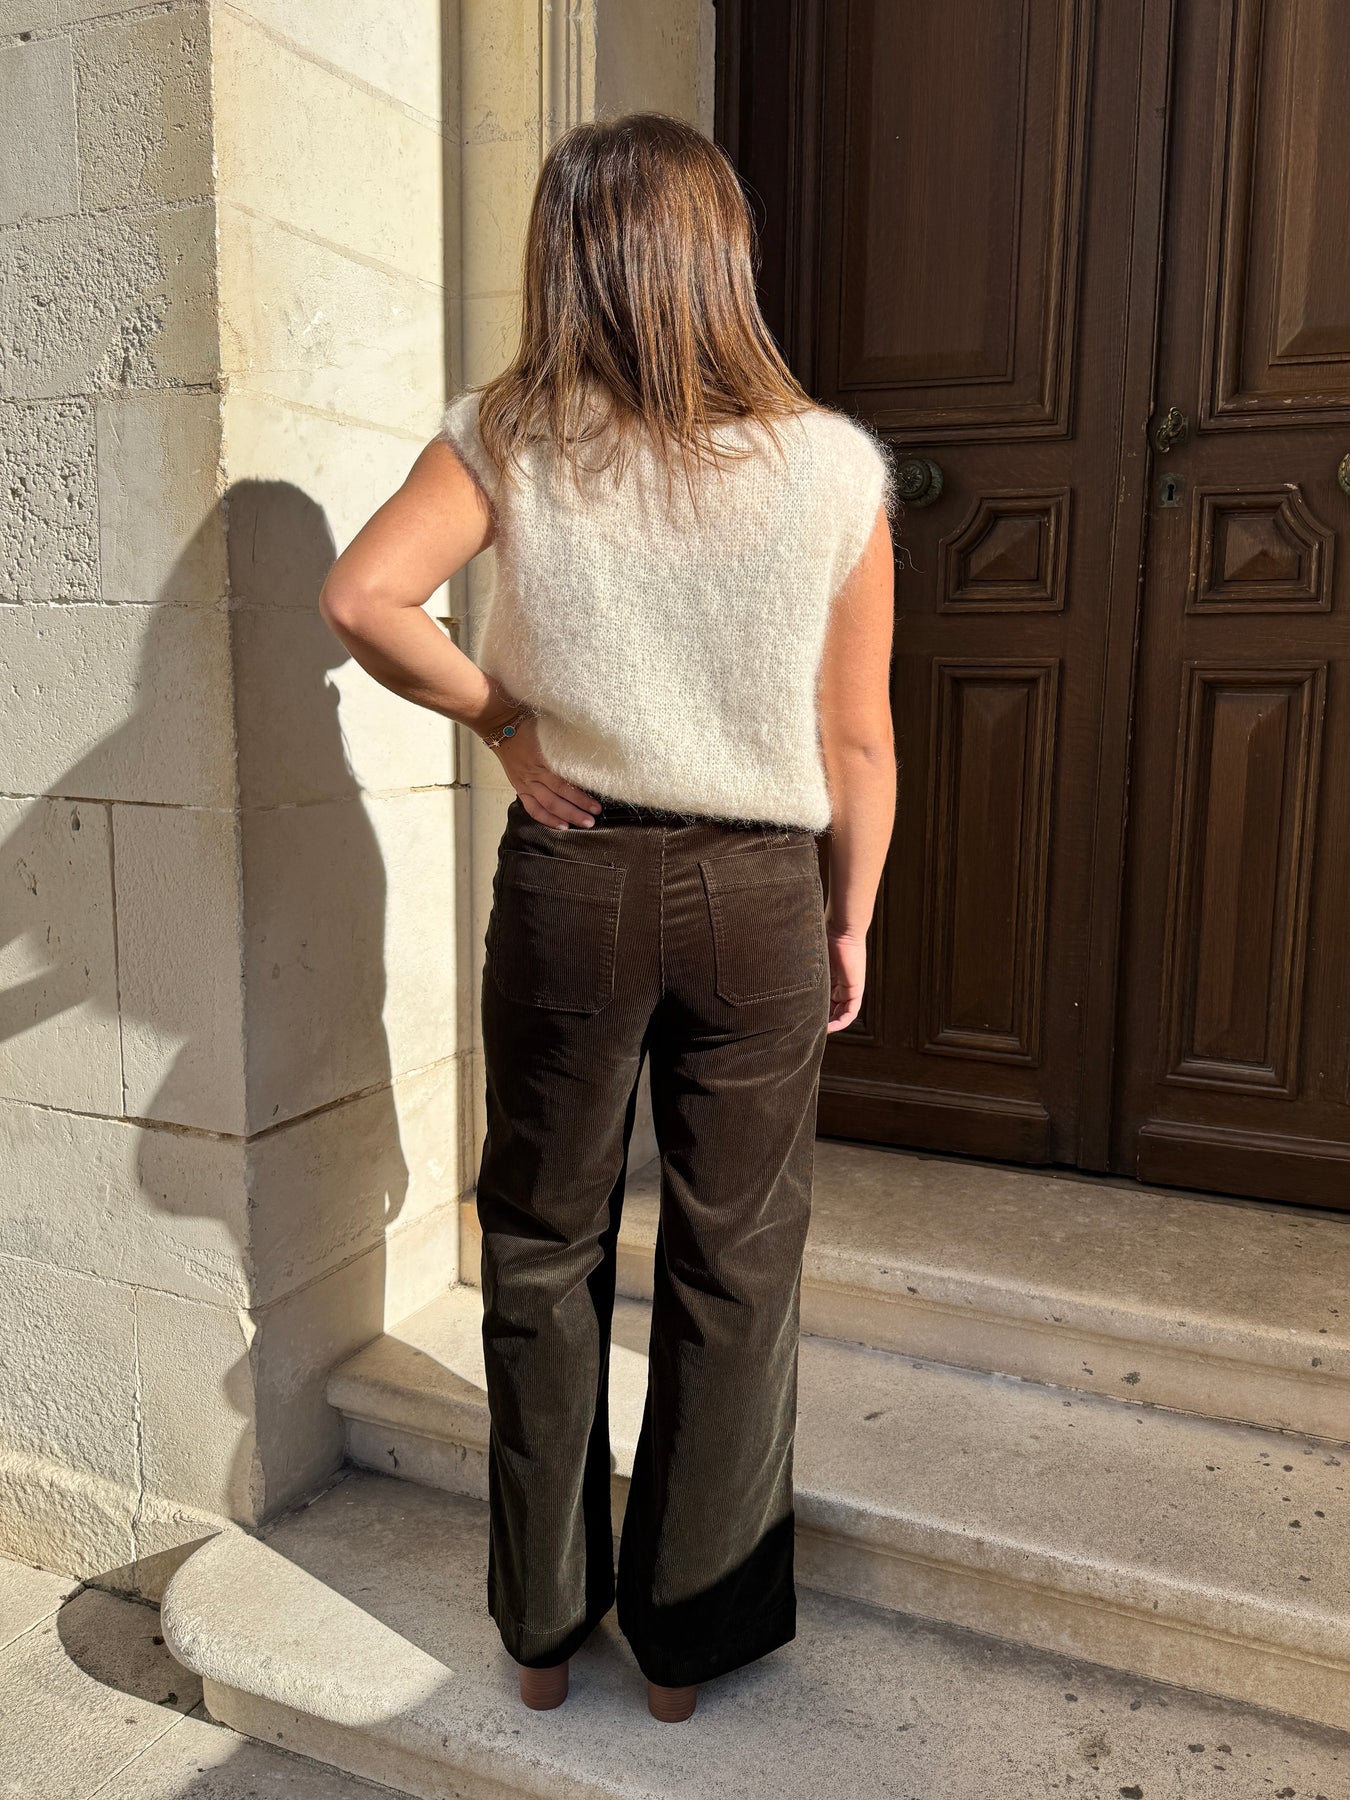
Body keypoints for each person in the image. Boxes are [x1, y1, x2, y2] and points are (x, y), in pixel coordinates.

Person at [318, 111, 896, 1725]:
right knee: (737, 1260)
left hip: (575, 885)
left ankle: (541, 1629)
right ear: (723, 255)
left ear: (567, 253)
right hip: (758, 894)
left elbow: (361, 597)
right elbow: (858, 739)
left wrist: (506, 724)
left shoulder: (508, 436)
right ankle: (689, 1648)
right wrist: (848, 914)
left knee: (540, 1244)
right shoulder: (831, 468)